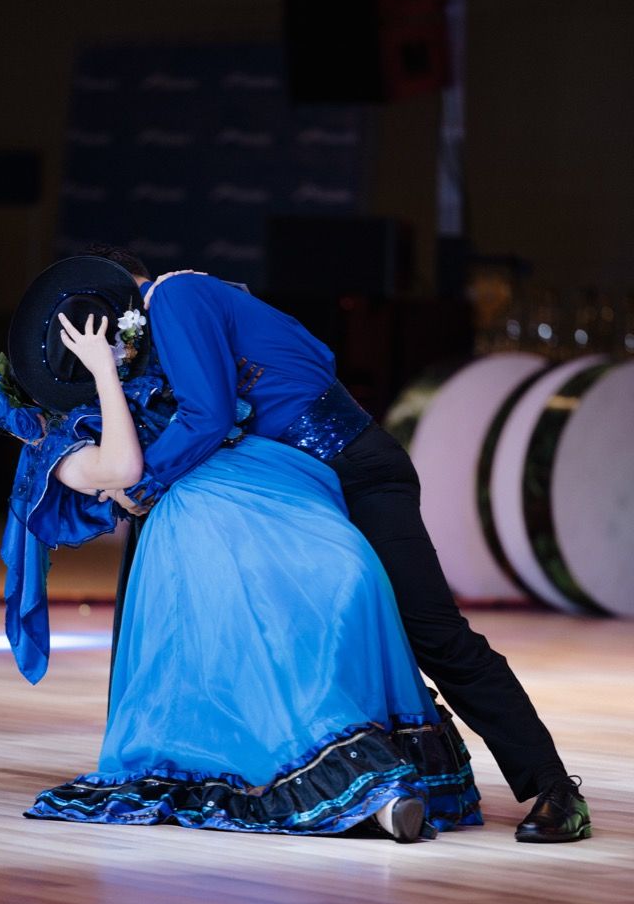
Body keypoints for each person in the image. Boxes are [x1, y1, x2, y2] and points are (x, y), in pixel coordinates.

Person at [84, 245, 591, 845]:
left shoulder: (174, 294)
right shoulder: (182, 315)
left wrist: (140, 484)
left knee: (433, 632)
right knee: (306, 625)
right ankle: (352, 777)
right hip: (299, 489)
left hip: (358, 476)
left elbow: (210, 416)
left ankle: (555, 788)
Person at [0, 256, 482, 840]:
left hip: (255, 490)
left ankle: (371, 771)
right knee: (262, 649)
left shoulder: (149, 367)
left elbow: (233, 395)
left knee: (349, 582)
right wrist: (106, 374)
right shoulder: (58, 448)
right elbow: (128, 467)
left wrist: (119, 374)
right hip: (201, 525)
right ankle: (362, 783)